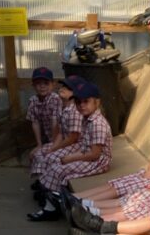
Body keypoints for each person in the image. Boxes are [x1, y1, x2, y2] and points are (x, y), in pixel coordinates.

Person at [28, 81, 113, 222]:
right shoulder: (88, 119)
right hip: (88, 155)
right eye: (79, 102)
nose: (82, 106)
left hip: (98, 162)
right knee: (56, 166)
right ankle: (52, 200)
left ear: (97, 102)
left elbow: (95, 154)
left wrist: (71, 158)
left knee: (58, 169)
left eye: (86, 102)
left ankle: (52, 207)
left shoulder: (98, 124)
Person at [29, 76, 83, 182]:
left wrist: (54, 149)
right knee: (39, 154)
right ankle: (43, 182)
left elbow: (73, 137)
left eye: (67, 88)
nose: (62, 88)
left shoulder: (75, 111)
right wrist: (53, 147)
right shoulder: (64, 108)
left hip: (76, 145)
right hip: (65, 142)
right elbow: (61, 133)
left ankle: (51, 188)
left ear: (75, 93)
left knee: (50, 157)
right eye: (63, 86)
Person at [25, 66, 62, 166]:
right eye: (38, 83)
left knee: (46, 155)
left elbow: (56, 122)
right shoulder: (33, 100)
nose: (42, 86)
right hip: (46, 136)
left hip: (60, 136)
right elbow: (35, 122)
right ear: (33, 85)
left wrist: (54, 145)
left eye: (46, 83)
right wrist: (39, 144)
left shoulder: (55, 99)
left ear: (53, 85)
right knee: (34, 155)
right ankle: (41, 178)